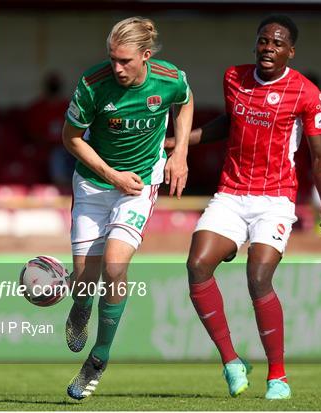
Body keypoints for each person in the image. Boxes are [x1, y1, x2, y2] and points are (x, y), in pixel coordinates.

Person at [166, 15, 321, 400]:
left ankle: (278, 376)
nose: (268, 48)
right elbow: (228, 124)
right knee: (197, 265)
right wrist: (175, 144)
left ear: (290, 52)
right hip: (231, 193)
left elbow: (320, 155)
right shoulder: (234, 78)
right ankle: (231, 361)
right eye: (263, 41)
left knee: (258, 276)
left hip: (275, 199)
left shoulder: (306, 94)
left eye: (277, 43)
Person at [62, 16, 193, 400]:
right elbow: (70, 138)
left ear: (146, 56)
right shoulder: (92, 84)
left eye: (125, 61)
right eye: (112, 59)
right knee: (86, 279)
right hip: (93, 183)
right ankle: (80, 306)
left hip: (138, 185)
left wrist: (180, 151)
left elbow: (185, 103)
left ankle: (98, 359)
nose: (116, 67)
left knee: (116, 265)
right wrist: (111, 174)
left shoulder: (169, 79)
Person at [27, 72, 75, 188]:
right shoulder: (37, 107)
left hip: (67, 146)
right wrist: (48, 142)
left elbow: (78, 131)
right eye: (52, 84)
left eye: (56, 84)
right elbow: (32, 134)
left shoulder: (69, 105)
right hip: (45, 148)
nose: (54, 86)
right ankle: (61, 185)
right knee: (56, 154)